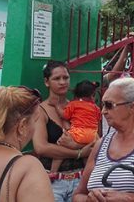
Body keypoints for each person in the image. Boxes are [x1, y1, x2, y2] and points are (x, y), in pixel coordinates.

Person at [33, 60, 92, 202]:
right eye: (57, 78)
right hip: (53, 182)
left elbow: (91, 141)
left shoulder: (78, 107)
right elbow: (41, 147)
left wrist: (79, 148)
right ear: (47, 82)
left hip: (80, 179)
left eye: (66, 78)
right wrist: (78, 153)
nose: (62, 82)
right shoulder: (40, 110)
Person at [50, 80, 100, 173]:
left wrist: (56, 105)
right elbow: (97, 119)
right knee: (87, 155)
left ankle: (53, 172)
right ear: (92, 95)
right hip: (92, 136)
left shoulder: (73, 104)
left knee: (60, 147)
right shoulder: (96, 108)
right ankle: (88, 173)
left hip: (78, 133)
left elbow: (64, 115)